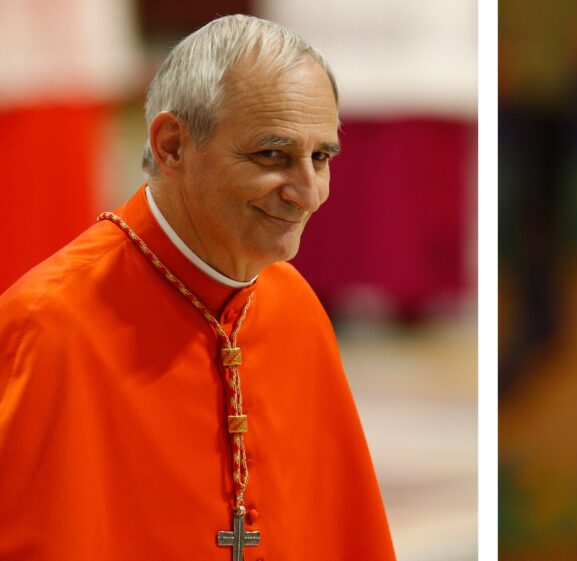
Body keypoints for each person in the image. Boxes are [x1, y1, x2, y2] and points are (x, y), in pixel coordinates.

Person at [0, 15, 395, 560]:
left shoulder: (293, 306)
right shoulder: (50, 325)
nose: (308, 193)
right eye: (271, 156)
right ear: (172, 146)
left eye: (321, 157)